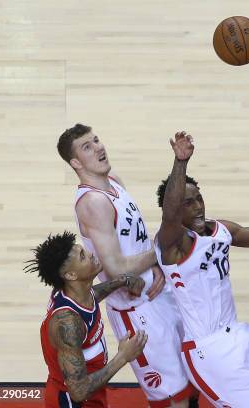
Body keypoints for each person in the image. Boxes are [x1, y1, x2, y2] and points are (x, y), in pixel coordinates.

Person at [154, 131, 249, 407]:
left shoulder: (222, 230)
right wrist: (180, 163)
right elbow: (170, 214)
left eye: (199, 198)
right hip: (208, 351)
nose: (198, 207)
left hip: (240, 334)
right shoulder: (172, 245)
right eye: (188, 203)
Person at [57, 124, 195, 408]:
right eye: (87, 147)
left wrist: (156, 263)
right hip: (137, 314)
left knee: (189, 380)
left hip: (159, 293)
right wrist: (158, 253)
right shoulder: (93, 203)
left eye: (96, 140)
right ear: (75, 163)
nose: (98, 147)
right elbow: (117, 268)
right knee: (172, 399)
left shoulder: (114, 181)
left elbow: (137, 239)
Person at [25, 231, 148, 408]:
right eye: (83, 257)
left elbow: (93, 295)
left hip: (91, 390)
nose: (90, 254)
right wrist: (123, 356)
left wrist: (121, 281)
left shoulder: (76, 292)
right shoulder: (67, 323)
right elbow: (79, 391)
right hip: (75, 401)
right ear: (71, 275)